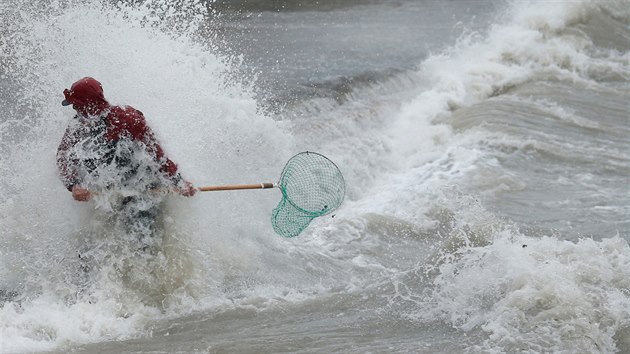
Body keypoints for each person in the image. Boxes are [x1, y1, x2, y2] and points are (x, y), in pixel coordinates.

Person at [57, 77, 196, 250]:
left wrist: (179, 182)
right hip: (108, 191)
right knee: (91, 247)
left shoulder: (128, 119)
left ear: (89, 105)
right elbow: (63, 156)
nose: (75, 109)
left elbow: (157, 155)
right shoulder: (78, 125)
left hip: (142, 188)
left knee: (142, 244)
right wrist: (74, 185)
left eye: (77, 105)